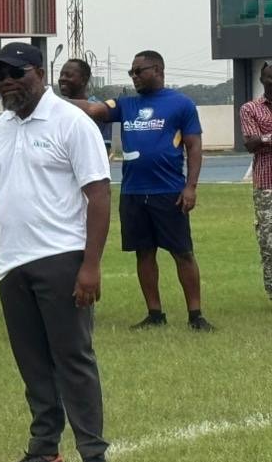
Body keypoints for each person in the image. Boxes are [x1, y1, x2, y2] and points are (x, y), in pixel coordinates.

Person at [0, 42, 111, 462]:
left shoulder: (72, 123)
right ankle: (45, 454)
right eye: (1, 75)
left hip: (61, 259)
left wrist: (90, 266)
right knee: (32, 364)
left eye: (17, 73)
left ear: (40, 74)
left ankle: (93, 456)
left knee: (73, 359)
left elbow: (99, 196)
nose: (8, 82)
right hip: (14, 266)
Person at [72, 50, 213, 331]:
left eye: (139, 71)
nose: (134, 77)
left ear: (158, 70)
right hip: (134, 192)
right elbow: (93, 109)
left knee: (183, 253)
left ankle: (196, 315)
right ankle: (155, 313)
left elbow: (194, 147)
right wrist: (48, 100)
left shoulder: (181, 104)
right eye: (131, 73)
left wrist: (191, 187)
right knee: (143, 253)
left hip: (169, 191)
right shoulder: (126, 104)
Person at [239, 61, 272, 300]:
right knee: (269, 242)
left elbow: (259, 140)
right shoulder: (250, 109)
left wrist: (265, 138)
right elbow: (250, 143)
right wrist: (261, 139)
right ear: (262, 80)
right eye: (269, 78)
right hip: (266, 184)